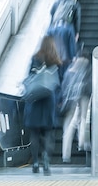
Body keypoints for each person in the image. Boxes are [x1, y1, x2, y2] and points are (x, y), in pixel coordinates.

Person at [23, 36, 62, 176]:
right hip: (48, 101)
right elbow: (59, 84)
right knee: (49, 133)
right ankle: (46, 160)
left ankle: (34, 162)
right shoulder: (56, 60)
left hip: (34, 100)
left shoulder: (35, 58)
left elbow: (29, 77)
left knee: (34, 133)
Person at [60, 55, 91, 163]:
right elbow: (90, 86)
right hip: (84, 98)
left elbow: (63, 87)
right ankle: (82, 142)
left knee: (68, 126)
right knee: (83, 119)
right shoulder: (87, 70)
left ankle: (65, 155)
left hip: (70, 100)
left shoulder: (69, 71)